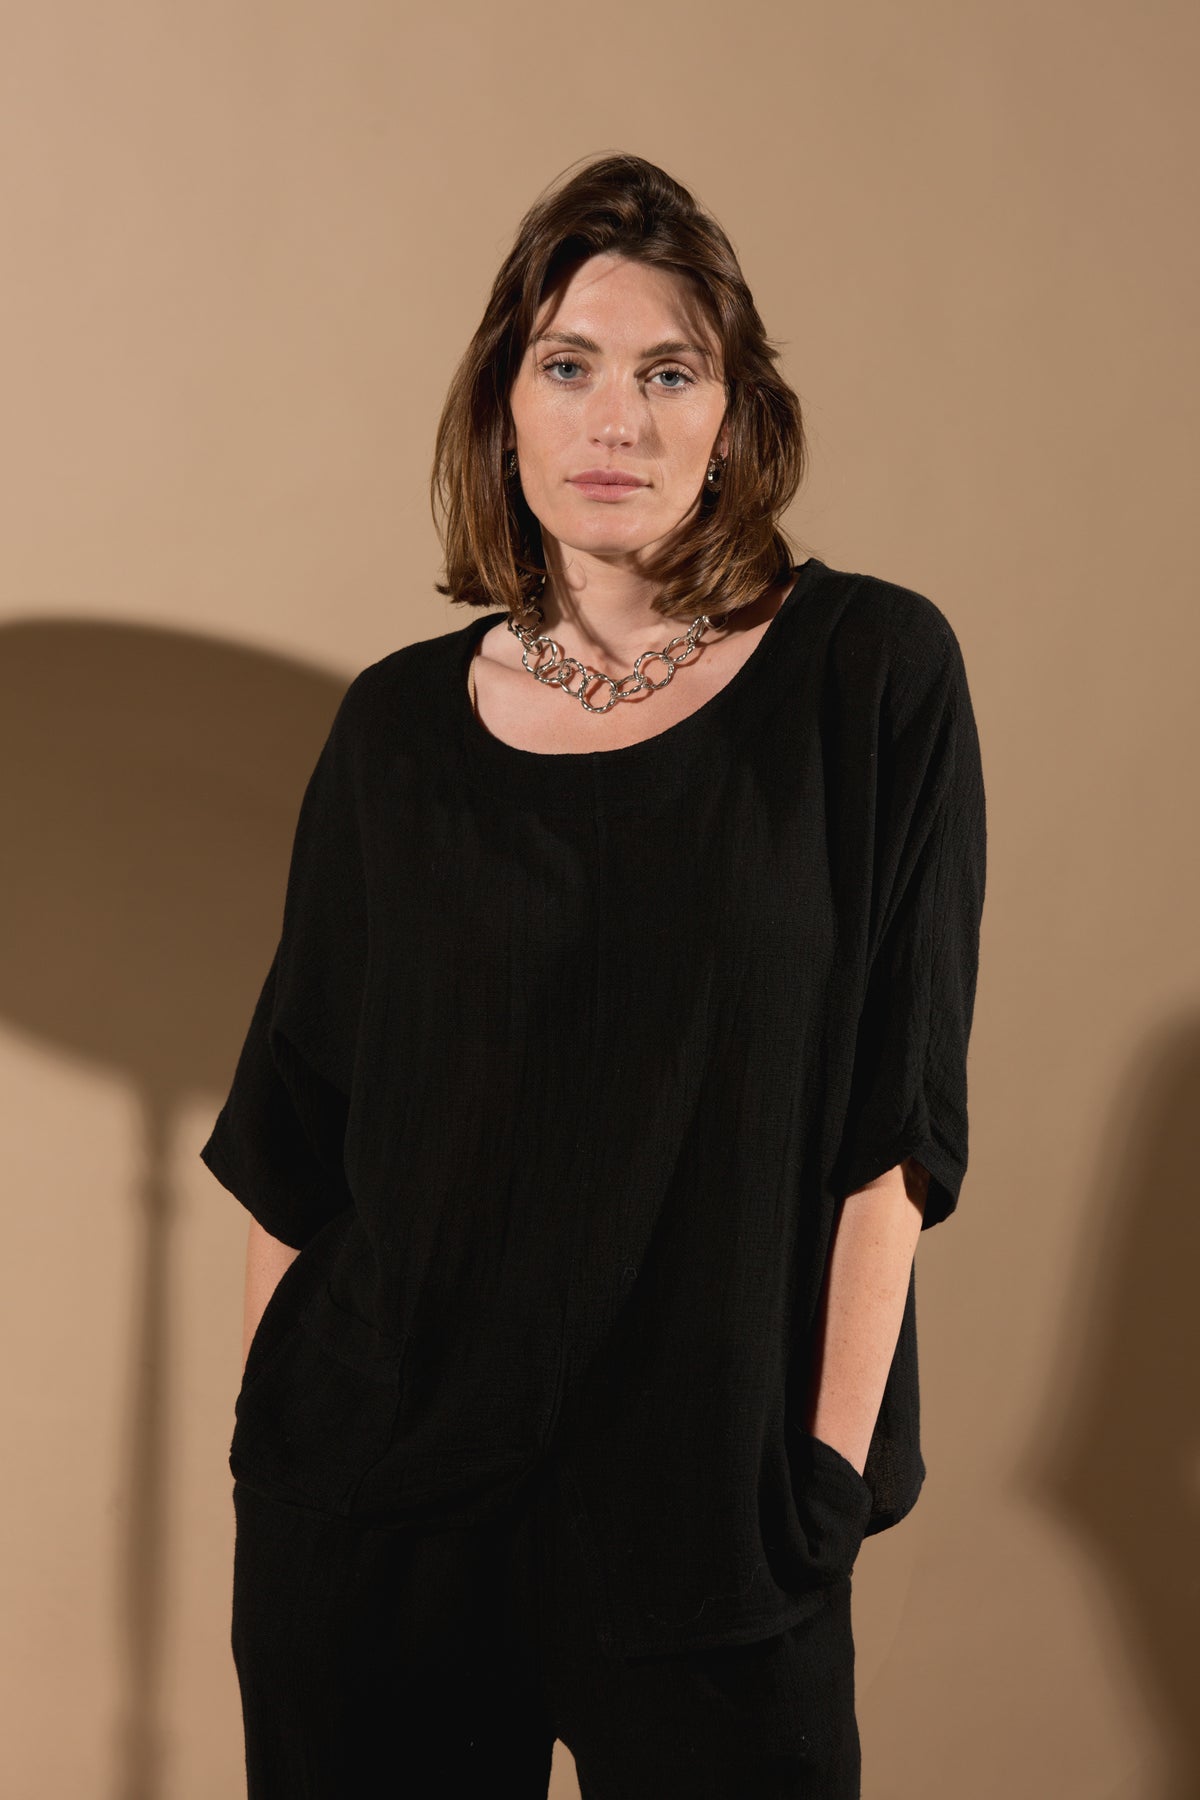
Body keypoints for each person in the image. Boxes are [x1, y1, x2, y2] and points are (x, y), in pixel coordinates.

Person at [200, 151, 987, 1799]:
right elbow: (298, 1134)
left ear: (735, 420)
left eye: (668, 373)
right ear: (504, 412)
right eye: (568, 367)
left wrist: (819, 1484)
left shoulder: (869, 677)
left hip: (716, 1523)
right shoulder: (395, 730)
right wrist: (278, 1453)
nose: (615, 419)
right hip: (379, 1526)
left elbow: (897, 1124)